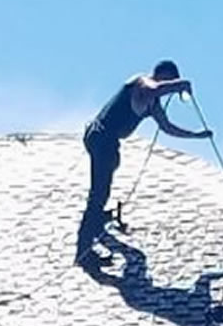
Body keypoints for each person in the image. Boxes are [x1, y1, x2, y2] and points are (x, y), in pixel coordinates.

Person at [77, 60, 212, 267]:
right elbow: (154, 88)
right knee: (99, 192)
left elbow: (167, 128)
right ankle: (84, 252)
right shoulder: (141, 83)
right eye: (169, 80)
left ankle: (96, 219)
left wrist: (196, 136)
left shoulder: (152, 106)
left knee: (110, 171)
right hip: (100, 135)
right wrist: (179, 85)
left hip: (110, 142)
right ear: (161, 74)